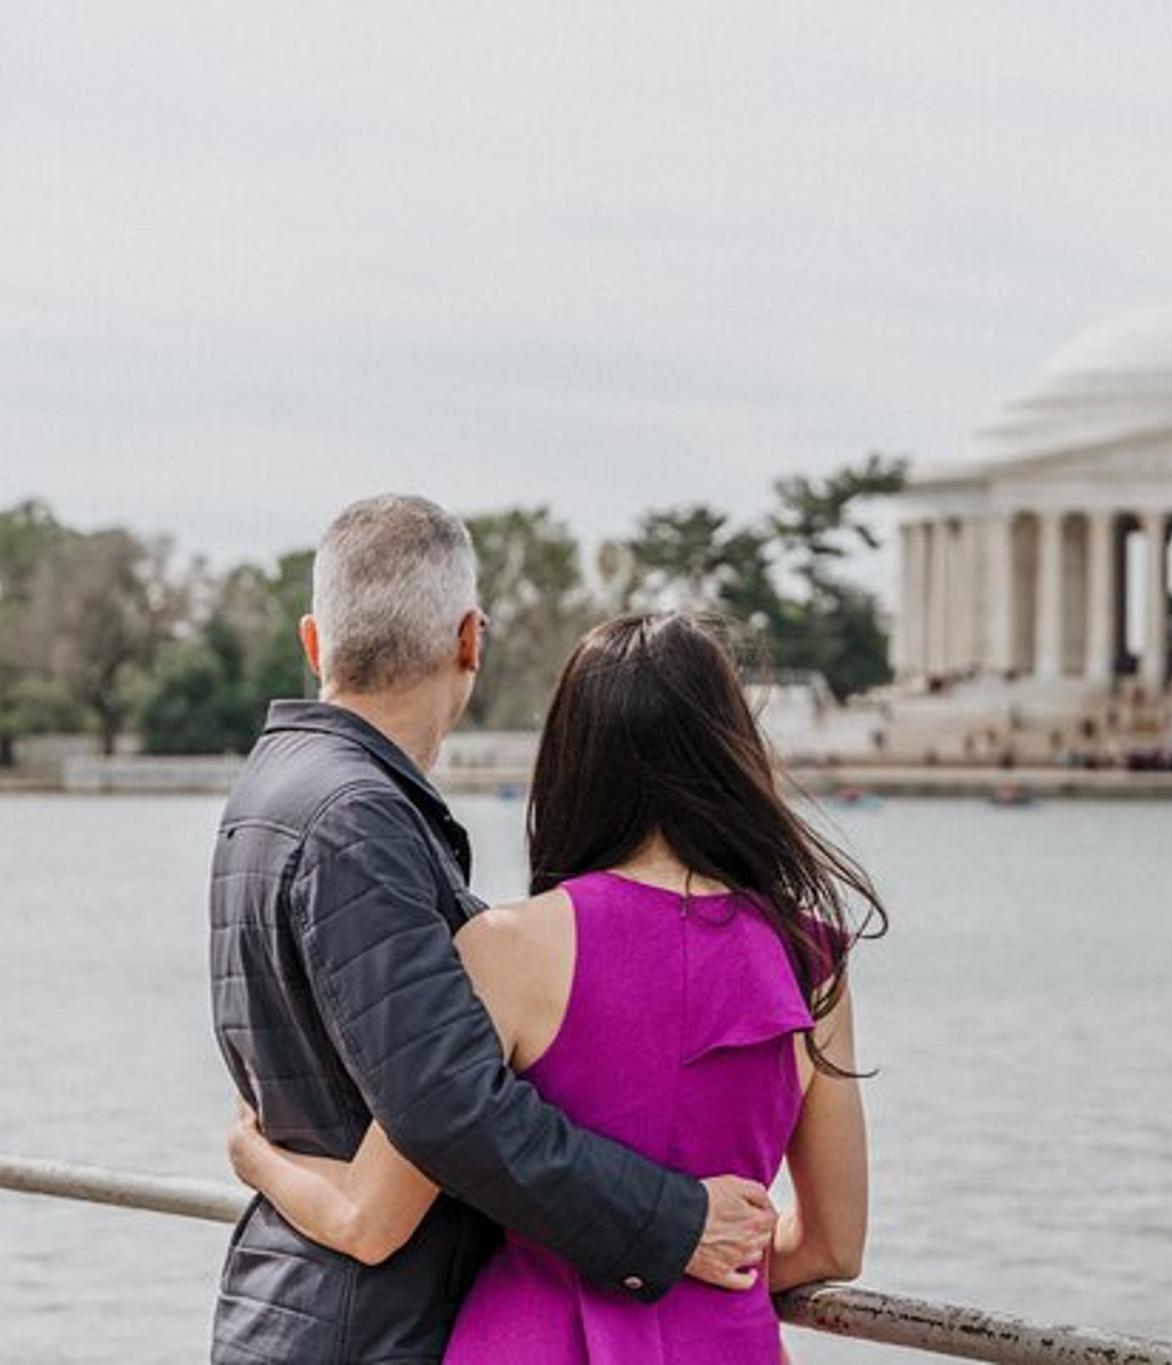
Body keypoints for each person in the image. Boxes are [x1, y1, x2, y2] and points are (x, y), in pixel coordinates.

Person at [210, 497, 780, 1362]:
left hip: (296, 1302)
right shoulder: (357, 816)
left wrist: (258, 1159)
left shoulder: (270, 789)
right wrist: (673, 1219)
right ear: (471, 639)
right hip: (365, 1329)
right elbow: (448, 1103)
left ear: (314, 642)